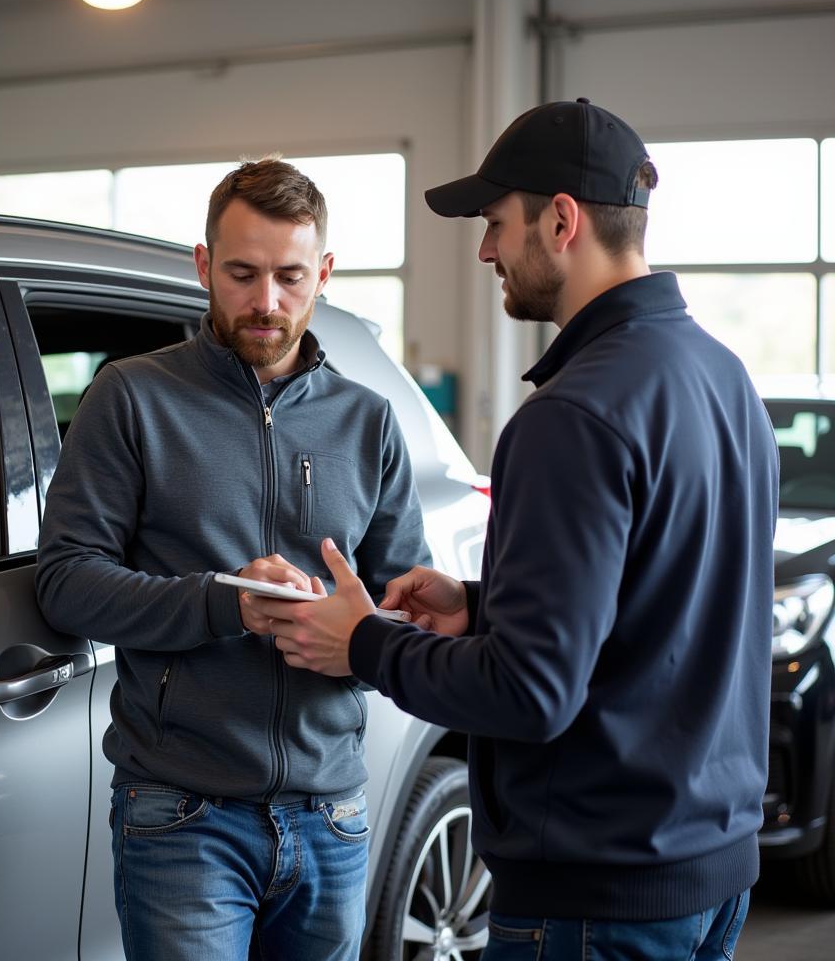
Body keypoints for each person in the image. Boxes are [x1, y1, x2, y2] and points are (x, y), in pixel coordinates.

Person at [264, 99, 779, 960]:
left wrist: (363, 644)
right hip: (712, 870)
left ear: (563, 220)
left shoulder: (572, 416)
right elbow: (667, 598)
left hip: (596, 899)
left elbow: (530, 695)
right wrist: (482, 601)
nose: (486, 250)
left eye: (497, 223)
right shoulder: (723, 378)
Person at [35, 157, 429, 961]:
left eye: (290, 276)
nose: (266, 302)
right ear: (204, 264)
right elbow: (66, 582)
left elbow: (407, 608)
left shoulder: (369, 421)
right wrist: (229, 600)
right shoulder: (131, 397)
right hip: (182, 811)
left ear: (323, 272)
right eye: (243, 274)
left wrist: (353, 635)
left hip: (333, 815)